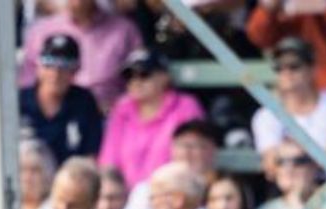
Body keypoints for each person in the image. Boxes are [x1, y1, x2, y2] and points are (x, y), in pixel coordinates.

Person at [99, 49, 206, 192]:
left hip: (172, 194)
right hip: (125, 199)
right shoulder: (121, 109)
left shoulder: (186, 107)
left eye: (144, 74)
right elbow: (108, 161)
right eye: (129, 76)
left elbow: (194, 160)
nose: (136, 81)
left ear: (164, 77)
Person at [250, 37, 326, 173]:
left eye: (294, 66)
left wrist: (292, 154)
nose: (286, 72)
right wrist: (305, 158)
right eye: (279, 67)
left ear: (312, 69)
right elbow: (271, 166)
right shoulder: (265, 115)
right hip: (289, 188)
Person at [20, 0, 140, 111]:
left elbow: (139, 80)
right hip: (54, 115)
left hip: (107, 115)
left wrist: (118, 109)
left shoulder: (124, 30)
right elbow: (27, 83)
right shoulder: (42, 31)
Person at [22, 33, 103, 165]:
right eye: (49, 64)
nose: (55, 74)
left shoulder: (84, 102)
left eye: (64, 67)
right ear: (38, 67)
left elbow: (91, 155)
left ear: (75, 70)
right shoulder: (19, 101)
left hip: (70, 181)